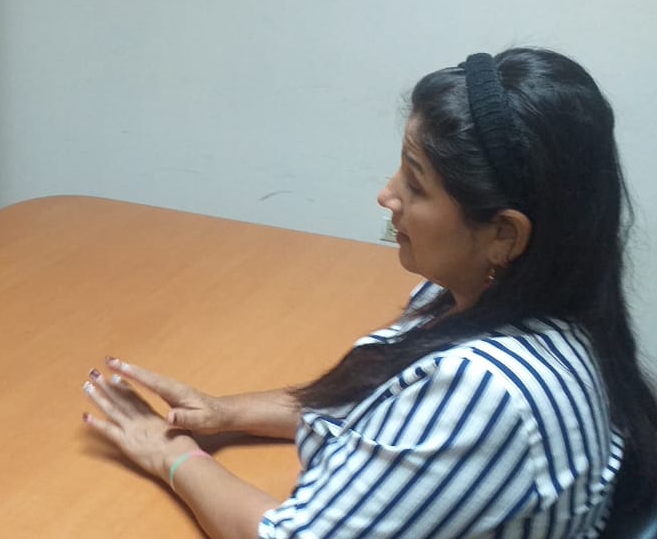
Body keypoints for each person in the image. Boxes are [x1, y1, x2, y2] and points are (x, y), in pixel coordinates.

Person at [81, 48, 657, 537]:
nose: (388, 195)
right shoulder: (500, 298)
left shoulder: (486, 394)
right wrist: (226, 412)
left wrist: (171, 454)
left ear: (503, 235)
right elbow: (372, 403)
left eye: (415, 182)